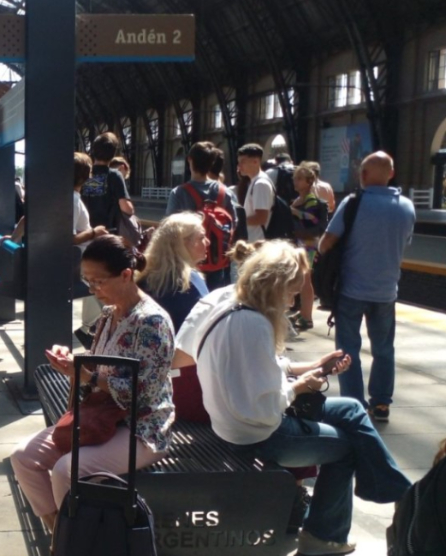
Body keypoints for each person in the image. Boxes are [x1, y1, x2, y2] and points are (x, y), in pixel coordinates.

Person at [174, 240, 411, 555]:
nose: (293, 301)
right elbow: (262, 410)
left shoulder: (227, 303)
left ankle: (399, 492)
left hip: (228, 422)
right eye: (291, 292)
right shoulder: (255, 324)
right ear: (273, 284)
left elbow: (257, 369)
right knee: (348, 447)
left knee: (353, 409)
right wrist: (300, 386)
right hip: (259, 435)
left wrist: (314, 366)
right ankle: (326, 535)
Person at [11, 235, 175, 535]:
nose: (93, 289)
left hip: (142, 427)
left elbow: (144, 394)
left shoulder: (152, 322)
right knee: (24, 458)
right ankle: (62, 539)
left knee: (66, 471)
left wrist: (86, 375)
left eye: (98, 282)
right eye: (88, 282)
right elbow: (99, 361)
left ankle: (70, 541)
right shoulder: (110, 314)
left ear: (126, 275)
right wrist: (72, 361)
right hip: (100, 418)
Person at [319, 151, 416, 421]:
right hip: (386, 292)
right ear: (391, 174)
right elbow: (404, 243)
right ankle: (382, 403)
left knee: (348, 349)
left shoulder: (353, 203)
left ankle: (354, 405)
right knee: (384, 349)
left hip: (351, 289)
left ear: (363, 175)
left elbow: (326, 242)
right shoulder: (407, 206)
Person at [136, 213, 210, 422]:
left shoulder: (143, 280)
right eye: (201, 237)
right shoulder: (189, 283)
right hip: (184, 389)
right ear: (182, 244)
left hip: (147, 386)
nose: (208, 242)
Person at [165, 141, 238, 289]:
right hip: (218, 263)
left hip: (188, 263)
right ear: (212, 163)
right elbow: (234, 224)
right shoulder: (226, 193)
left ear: (190, 160)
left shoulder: (179, 193)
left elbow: (168, 230)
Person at [71, 153, 109, 347]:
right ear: (85, 176)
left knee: (95, 292)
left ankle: (88, 329)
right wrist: (94, 232)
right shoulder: (72, 200)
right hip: (80, 261)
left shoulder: (72, 197)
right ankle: (91, 329)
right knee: (107, 290)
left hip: (83, 261)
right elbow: (69, 238)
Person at [288, 165, 325, 331]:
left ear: (309, 181)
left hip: (309, 243)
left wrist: (294, 212)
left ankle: (307, 316)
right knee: (302, 279)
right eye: (295, 178)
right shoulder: (300, 198)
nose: (295, 181)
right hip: (302, 242)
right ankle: (304, 312)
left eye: (299, 178)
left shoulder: (310, 199)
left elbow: (313, 219)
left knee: (305, 279)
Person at [81, 132, 134, 232]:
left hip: (85, 231)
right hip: (107, 232)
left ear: (93, 151)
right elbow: (126, 208)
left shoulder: (84, 173)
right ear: (112, 154)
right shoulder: (114, 175)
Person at [240, 143, 274, 243]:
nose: (239, 166)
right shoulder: (256, 181)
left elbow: (261, 218)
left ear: (256, 162)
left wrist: (238, 221)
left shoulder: (260, 184)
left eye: (243, 162)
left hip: (257, 242)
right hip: (255, 240)